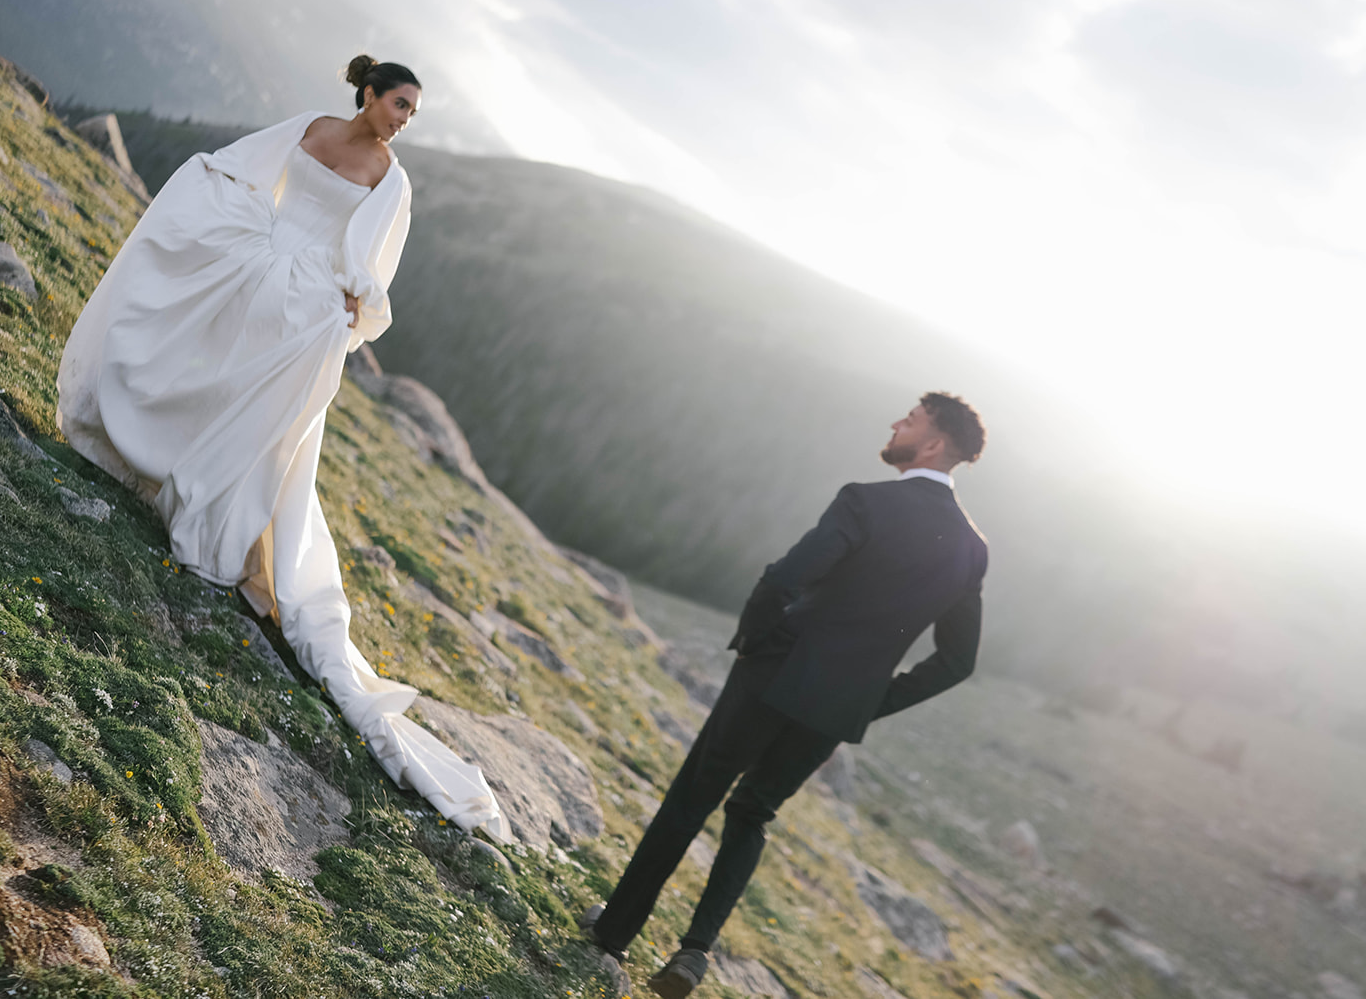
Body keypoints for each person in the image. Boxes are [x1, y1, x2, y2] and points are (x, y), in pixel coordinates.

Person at [56, 56, 511, 841]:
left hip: (301, 299)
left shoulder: (392, 181)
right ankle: (150, 452)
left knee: (255, 413)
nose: (404, 119)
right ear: (367, 94)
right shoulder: (309, 128)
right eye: (398, 103)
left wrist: (348, 306)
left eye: (413, 111)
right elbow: (238, 168)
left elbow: (373, 273)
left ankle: (213, 511)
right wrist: (220, 217)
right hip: (255, 260)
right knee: (198, 361)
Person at [583, 392, 989, 998]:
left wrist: (753, 644)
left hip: (773, 675)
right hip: (834, 710)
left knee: (694, 795)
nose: (895, 424)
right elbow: (958, 661)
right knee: (752, 814)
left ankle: (615, 931)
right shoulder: (971, 550)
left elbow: (785, 576)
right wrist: (870, 700)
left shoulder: (866, 501)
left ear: (933, 444)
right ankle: (694, 951)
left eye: (909, 420)